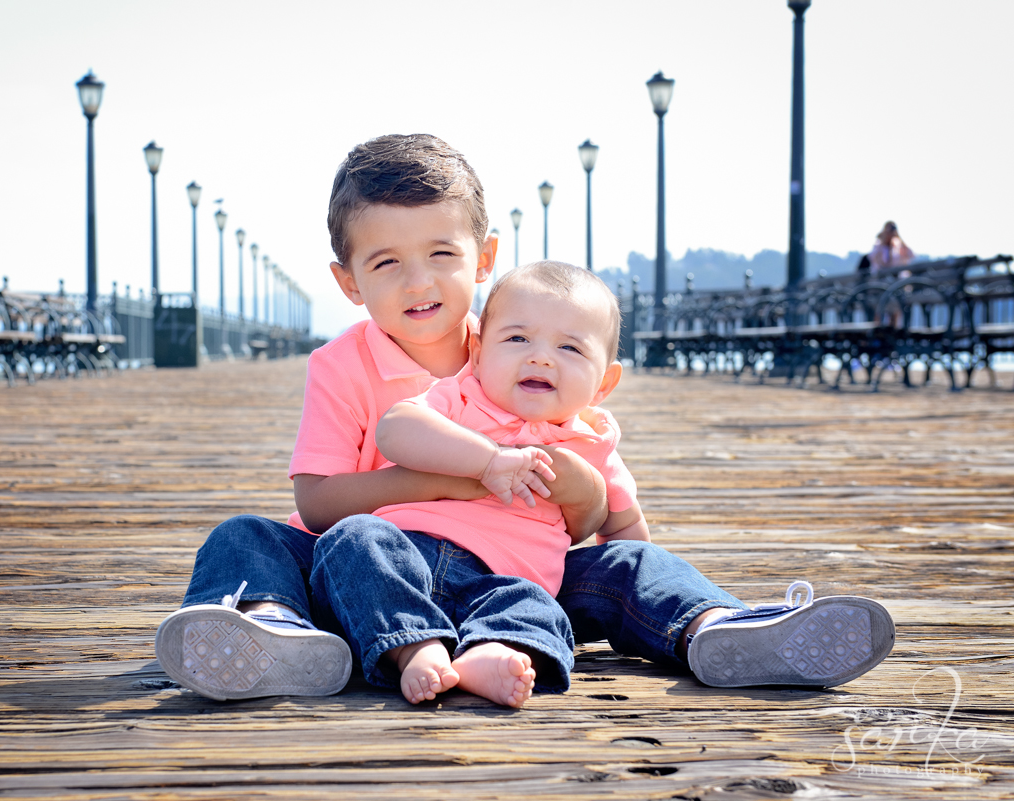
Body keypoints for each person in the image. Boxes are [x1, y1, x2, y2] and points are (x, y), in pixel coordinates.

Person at [155, 133, 895, 703]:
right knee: (248, 536)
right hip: (371, 562)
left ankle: (718, 628)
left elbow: (596, 514)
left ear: (484, 258)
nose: (420, 281)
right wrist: (456, 482)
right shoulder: (345, 365)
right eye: (387, 264)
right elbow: (316, 501)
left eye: (441, 253)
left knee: (629, 567)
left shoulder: (519, 342)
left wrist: (577, 488)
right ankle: (272, 630)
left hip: (513, 574)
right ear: (348, 282)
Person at [310, 261, 648, 707]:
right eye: (517, 338)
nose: (540, 357)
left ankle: (488, 653)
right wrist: (486, 459)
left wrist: (635, 570)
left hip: (505, 578)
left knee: (534, 608)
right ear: (479, 350)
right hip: (409, 552)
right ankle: (415, 646)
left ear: (604, 382)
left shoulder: (591, 444)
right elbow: (396, 427)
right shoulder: (461, 397)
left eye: (570, 348)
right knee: (353, 539)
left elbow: (626, 536)